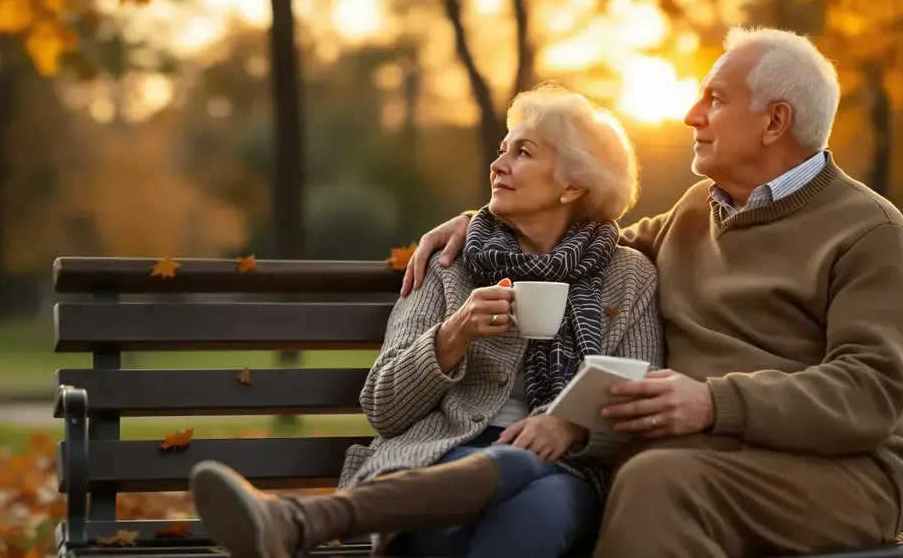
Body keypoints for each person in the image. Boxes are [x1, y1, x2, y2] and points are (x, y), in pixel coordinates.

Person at [402, 26, 903, 558]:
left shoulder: (869, 233)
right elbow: (578, 247)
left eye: (716, 99)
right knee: (643, 476)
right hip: (699, 460)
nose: (691, 115)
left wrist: (713, 402)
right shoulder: (697, 210)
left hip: (837, 476)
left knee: (655, 481)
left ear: (775, 122)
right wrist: (482, 224)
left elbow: (871, 392)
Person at [187, 84, 664, 558]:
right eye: (502, 150)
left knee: (543, 504)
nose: (498, 165)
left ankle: (304, 521)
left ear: (574, 184)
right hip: (435, 458)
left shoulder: (628, 275)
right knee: (524, 494)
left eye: (523, 153)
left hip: (571, 471)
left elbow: (637, 400)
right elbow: (383, 406)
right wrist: (454, 334)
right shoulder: (450, 263)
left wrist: (569, 427)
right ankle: (300, 521)